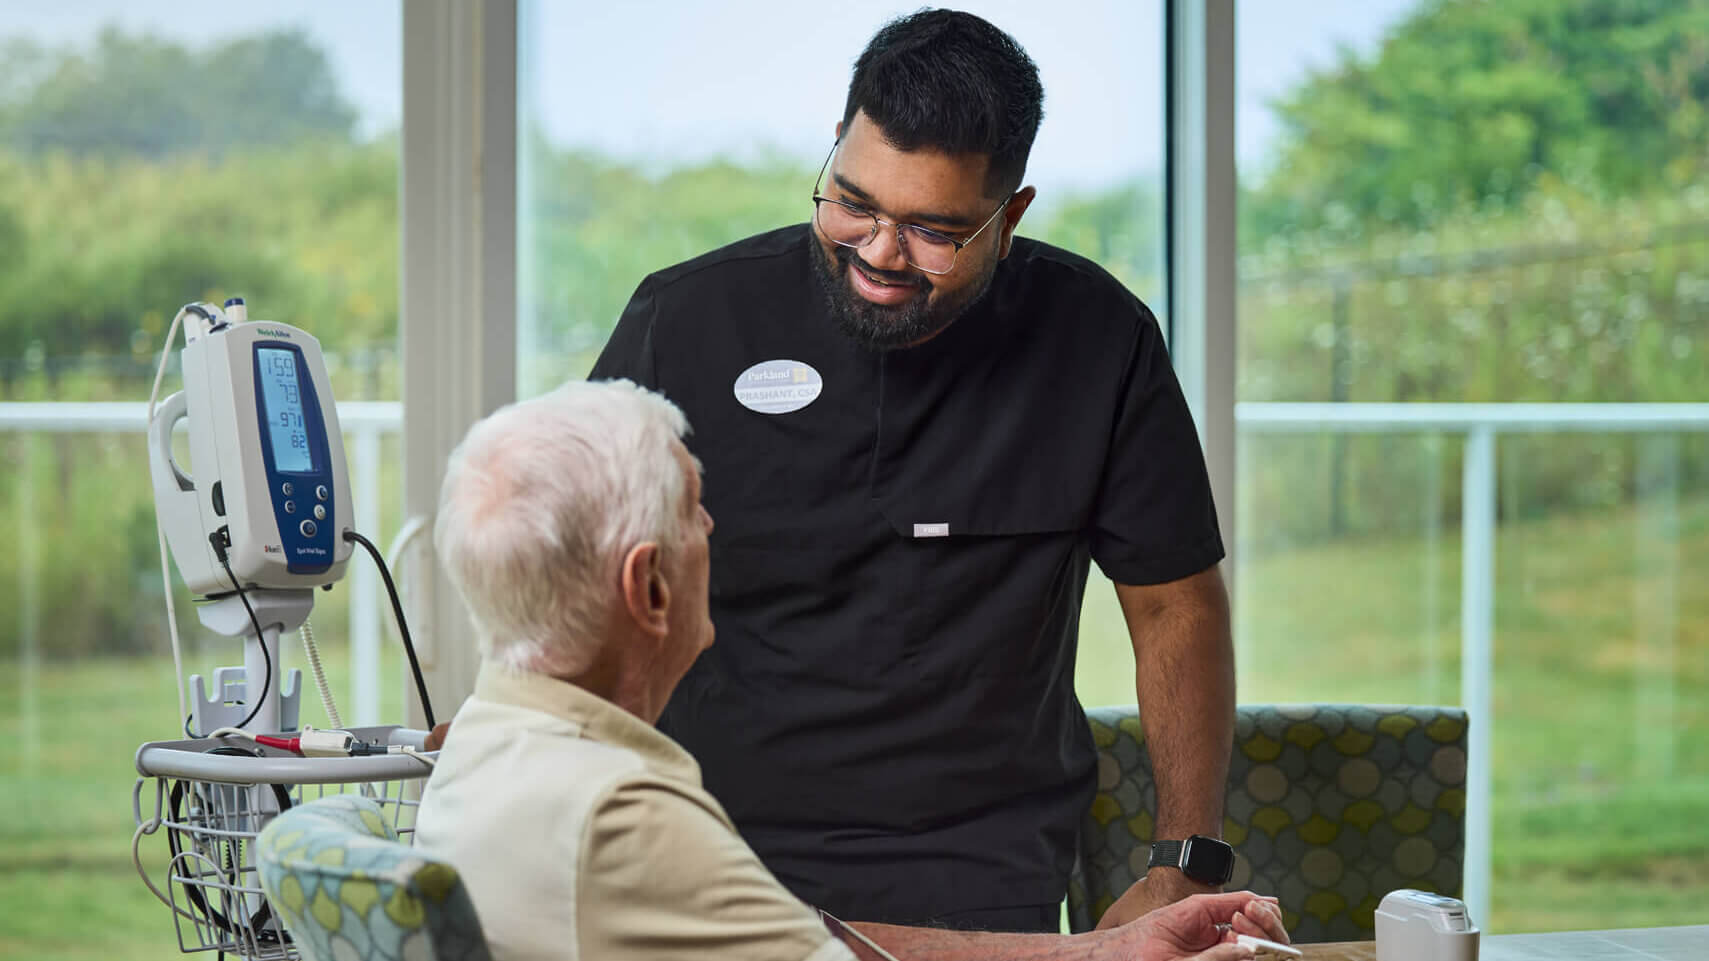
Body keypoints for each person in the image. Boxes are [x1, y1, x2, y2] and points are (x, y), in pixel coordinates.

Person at [587, 8, 1234, 933]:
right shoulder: (687, 317)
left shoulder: (1101, 341)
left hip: (980, 867)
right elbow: (580, 560)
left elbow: (1176, 604)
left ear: (1009, 217)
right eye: (852, 202)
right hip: (704, 848)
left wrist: (1184, 859)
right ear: (834, 150)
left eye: (935, 229)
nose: (880, 253)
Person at [413, 379, 1286, 961]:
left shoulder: (492, 743)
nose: (713, 528)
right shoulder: (624, 816)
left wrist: (1101, 952)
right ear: (646, 583)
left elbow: (809, 936)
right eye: (692, 507)